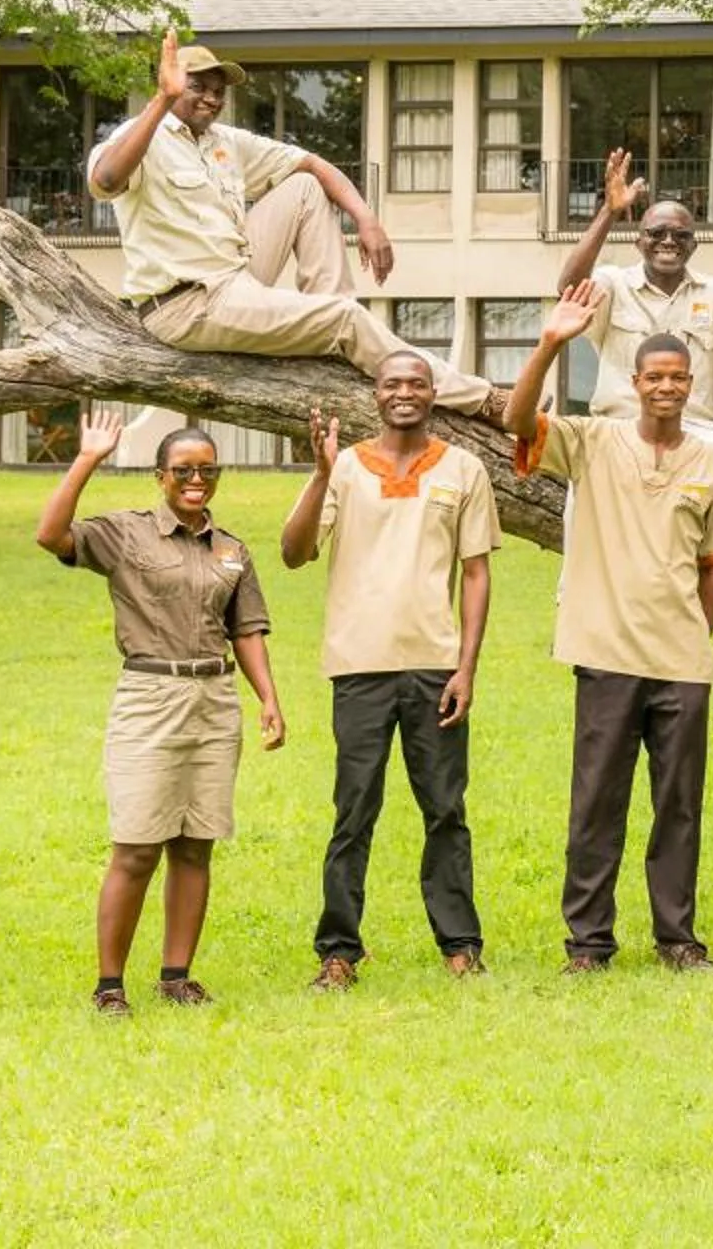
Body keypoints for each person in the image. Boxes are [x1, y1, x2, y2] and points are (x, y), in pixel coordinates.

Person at [506, 282, 713, 975]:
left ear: (690, 383)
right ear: (635, 383)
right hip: (606, 652)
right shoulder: (594, 440)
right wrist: (550, 342)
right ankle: (589, 943)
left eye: (677, 377)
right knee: (597, 803)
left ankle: (678, 937)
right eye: (654, 378)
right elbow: (519, 421)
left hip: (681, 661)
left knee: (678, 806)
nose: (665, 387)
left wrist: (694, 638)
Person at [85, 31, 499, 415]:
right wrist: (161, 102)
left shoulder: (224, 142)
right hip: (186, 303)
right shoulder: (142, 133)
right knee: (345, 320)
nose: (211, 99)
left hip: (236, 277)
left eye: (218, 92)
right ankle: (484, 400)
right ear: (171, 85)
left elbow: (314, 164)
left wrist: (366, 218)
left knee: (303, 184)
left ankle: (334, 317)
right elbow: (105, 181)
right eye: (197, 88)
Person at [35, 411, 286, 1015]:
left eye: (206, 470)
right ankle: (109, 984)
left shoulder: (232, 550)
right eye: (183, 470)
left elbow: (246, 629)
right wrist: (87, 458)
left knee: (196, 843)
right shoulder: (128, 533)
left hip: (214, 702)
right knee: (138, 845)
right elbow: (51, 535)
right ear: (161, 476)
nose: (195, 480)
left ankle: (177, 976)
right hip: (150, 699)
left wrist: (269, 699)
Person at [279, 355, 498, 987]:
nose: (404, 393)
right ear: (374, 396)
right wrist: (319, 476)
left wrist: (466, 667)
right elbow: (294, 553)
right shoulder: (343, 467)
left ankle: (461, 946)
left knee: (445, 811)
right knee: (353, 812)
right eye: (391, 384)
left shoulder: (464, 469)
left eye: (416, 383)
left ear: (435, 394)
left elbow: (477, 572)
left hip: (434, 667)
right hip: (360, 666)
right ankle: (339, 952)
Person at [559, 146, 713, 676]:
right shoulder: (612, 283)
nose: (669, 242)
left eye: (680, 234)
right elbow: (568, 289)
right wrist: (608, 210)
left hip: (694, 426)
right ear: (639, 239)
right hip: (616, 424)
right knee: (580, 488)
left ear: (694, 242)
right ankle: (571, 599)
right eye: (657, 233)